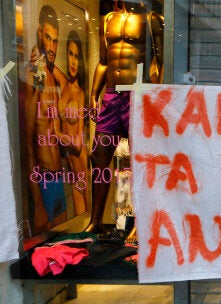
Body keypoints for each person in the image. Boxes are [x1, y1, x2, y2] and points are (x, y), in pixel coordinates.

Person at [87, 0, 164, 234]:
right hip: (111, 95)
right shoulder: (109, 19)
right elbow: (103, 61)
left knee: (139, 160)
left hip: (137, 94)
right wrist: (93, 94)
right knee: (99, 157)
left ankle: (139, 225)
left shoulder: (152, 19)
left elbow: (161, 62)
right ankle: (96, 222)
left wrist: (153, 96)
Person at [24, 4, 65, 233]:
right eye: (47, 38)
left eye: (55, 41)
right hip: (44, 183)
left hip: (59, 177)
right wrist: (38, 203)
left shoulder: (49, 75)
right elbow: (28, 143)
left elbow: (68, 84)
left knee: (67, 247)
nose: (52, 46)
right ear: (39, 32)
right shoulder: (35, 76)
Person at [52, 30, 88, 215]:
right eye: (70, 54)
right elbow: (48, 62)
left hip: (80, 159)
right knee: (80, 220)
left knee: (89, 215)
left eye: (77, 56)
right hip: (71, 165)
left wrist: (58, 135)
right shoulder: (64, 85)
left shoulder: (80, 93)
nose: (73, 61)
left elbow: (78, 142)